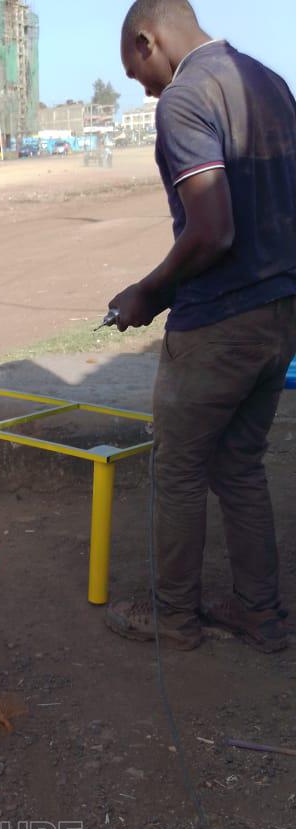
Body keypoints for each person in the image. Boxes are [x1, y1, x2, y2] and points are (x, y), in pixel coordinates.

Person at [105, 0, 296, 653]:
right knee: (239, 464)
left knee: (179, 469)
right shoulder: (270, 82)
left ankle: (174, 615)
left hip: (219, 321)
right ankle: (258, 611)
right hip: (279, 315)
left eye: (140, 73)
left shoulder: (185, 98)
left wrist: (148, 294)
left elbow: (212, 230)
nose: (148, 86)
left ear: (146, 39)